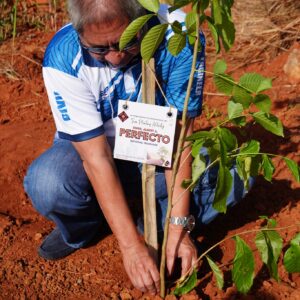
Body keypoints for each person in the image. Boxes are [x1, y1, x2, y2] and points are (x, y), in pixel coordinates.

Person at [24, 0, 251, 295]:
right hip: (98, 154)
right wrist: (129, 246)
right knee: (48, 183)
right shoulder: (64, 55)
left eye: (127, 42)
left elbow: (179, 144)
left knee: (237, 169)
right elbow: (95, 158)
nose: (116, 58)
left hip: (158, 153)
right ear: (80, 35)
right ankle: (88, 227)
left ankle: (152, 221)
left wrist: (177, 226)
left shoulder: (180, 37)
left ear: (142, 19)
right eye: (99, 49)